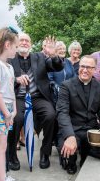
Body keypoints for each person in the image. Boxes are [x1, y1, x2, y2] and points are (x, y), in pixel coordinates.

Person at [7, 33, 63, 171]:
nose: (25, 42)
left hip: (38, 96)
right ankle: (12, 155)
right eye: (22, 40)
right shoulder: (9, 58)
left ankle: (45, 153)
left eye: (27, 40)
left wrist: (54, 55)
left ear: (31, 44)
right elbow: (1, 77)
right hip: (18, 97)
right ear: (16, 43)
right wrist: (16, 79)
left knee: (50, 115)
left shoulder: (39, 57)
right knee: (16, 119)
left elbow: (57, 67)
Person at [56, 55, 100, 174]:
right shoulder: (66, 86)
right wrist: (69, 136)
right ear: (78, 67)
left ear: (94, 69)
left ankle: (84, 151)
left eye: (89, 67)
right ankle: (73, 153)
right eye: (82, 66)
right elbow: (62, 113)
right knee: (67, 157)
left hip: (91, 130)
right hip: (73, 129)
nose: (85, 70)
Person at [0, 27, 25, 181]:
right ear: (7, 44)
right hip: (0, 111)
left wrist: (14, 110)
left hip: (8, 110)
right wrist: (6, 112)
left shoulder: (8, 66)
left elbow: (10, 90)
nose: (17, 50)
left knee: (3, 147)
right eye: (16, 46)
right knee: (1, 148)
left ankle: (3, 178)